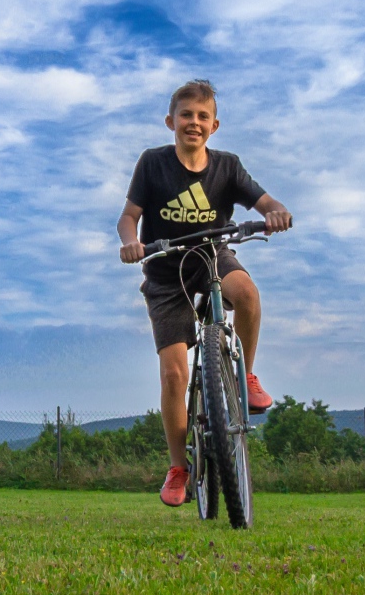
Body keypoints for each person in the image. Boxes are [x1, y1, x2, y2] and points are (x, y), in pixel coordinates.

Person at [116, 79, 292, 508]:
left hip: (212, 256)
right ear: (170, 121)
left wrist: (276, 213)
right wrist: (130, 242)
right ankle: (179, 467)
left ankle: (245, 377)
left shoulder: (227, 167)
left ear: (214, 125)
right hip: (165, 271)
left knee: (246, 293)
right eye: (186, 115)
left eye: (202, 116)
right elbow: (129, 216)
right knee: (174, 374)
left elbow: (265, 202)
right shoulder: (153, 163)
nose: (193, 123)